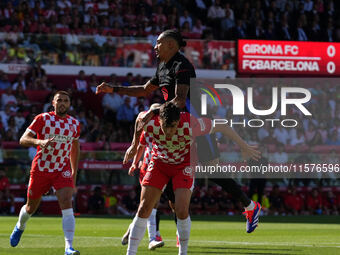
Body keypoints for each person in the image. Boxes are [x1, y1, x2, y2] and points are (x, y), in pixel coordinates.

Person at [96, 29, 261, 234]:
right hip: (174, 125)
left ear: (171, 45)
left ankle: (250, 207)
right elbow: (145, 89)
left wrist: (155, 110)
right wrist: (114, 89)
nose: (155, 46)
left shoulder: (182, 66)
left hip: (193, 123)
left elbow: (180, 100)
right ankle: (181, 231)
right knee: (174, 177)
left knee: (211, 170)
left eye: (159, 43)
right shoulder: (163, 66)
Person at [123, 102, 260, 255]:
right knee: (144, 208)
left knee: (181, 210)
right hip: (159, 163)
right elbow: (138, 121)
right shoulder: (149, 120)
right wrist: (134, 146)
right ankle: (131, 253)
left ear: (179, 122)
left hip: (183, 165)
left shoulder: (191, 124)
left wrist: (244, 146)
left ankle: (183, 252)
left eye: (173, 127)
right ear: (159, 120)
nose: (168, 131)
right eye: (165, 126)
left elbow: (223, 126)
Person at [9, 91, 81, 255]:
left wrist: (73, 174)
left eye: (66, 100)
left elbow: (75, 149)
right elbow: (23, 139)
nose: (62, 103)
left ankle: (68, 247)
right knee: (30, 207)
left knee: (66, 202)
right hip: (41, 168)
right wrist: (39, 141)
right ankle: (20, 226)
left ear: (69, 104)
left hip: (62, 169)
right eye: (59, 100)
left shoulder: (75, 124)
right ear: (53, 103)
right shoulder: (43, 119)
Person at [121, 104, 165, 250]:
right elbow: (140, 146)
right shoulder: (148, 128)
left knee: (148, 205)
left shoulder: (166, 126)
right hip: (148, 167)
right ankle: (152, 238)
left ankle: (131, 230)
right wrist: (134, 163)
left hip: (161, 168)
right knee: (151, 203)